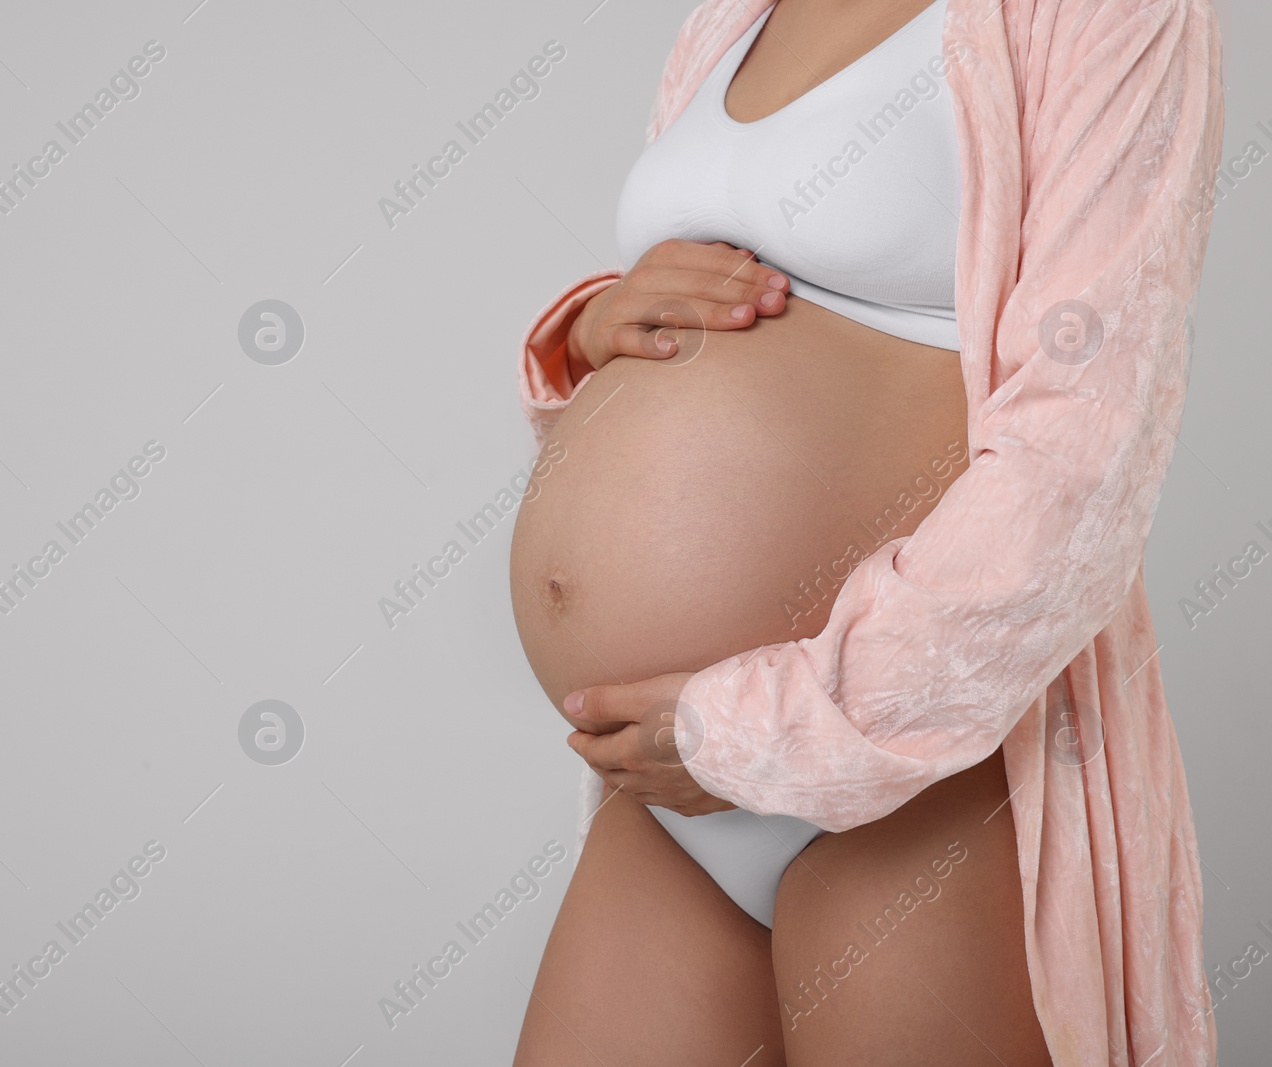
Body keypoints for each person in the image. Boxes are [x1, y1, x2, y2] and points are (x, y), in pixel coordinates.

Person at [507, 0, 1225, 1062]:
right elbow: (719, 352)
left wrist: (764, 735)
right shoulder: (731, 15)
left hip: (904, 789)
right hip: (672, 790)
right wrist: (596, 329)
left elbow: (1084, 455)